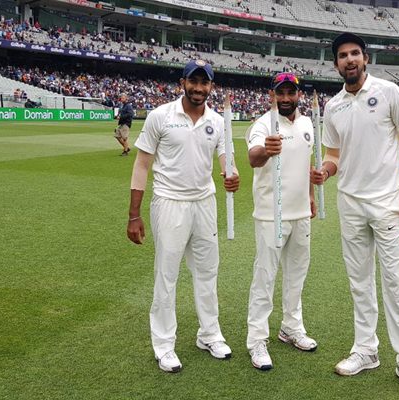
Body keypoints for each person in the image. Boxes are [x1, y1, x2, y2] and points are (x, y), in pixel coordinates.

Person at [310, 33, 399, 399]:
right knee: (359, 282)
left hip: (388, 204)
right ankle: (366, 350)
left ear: (366, 59)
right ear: (335, 64)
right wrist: (325, 172)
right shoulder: (333, 107)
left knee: (396, 283)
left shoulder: (390, 92)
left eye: (355, 54)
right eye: (343, 56)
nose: (349, 60)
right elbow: (334, 156)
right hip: (350, 203)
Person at [126, 60, 240, 373]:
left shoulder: (218, 121)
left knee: (207, 273)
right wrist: (134, 214)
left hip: (204, 203)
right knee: (167, 276)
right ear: (183, 83)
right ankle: (164, 345)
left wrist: (232, 176)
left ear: (211, 87)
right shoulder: (160, 116)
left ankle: (209, 334)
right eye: (194, 82)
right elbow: (141, 165)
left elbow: (226, 161)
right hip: (169, 203)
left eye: (205, 83)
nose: (199, 88)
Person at [245, 72, 318, 371]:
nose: (286, 98)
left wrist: (311, 196)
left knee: (296, 276)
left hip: (301, 212)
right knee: (265, 277)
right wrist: (266, 150)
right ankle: (256, 340)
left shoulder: (307, 122)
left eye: (291, 93)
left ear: (298, 94)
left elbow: (308, 161)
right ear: (272, 95)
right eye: (280, 93)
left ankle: (290, 327)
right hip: (270, 213)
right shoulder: (263, 124)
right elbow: (252, 158)